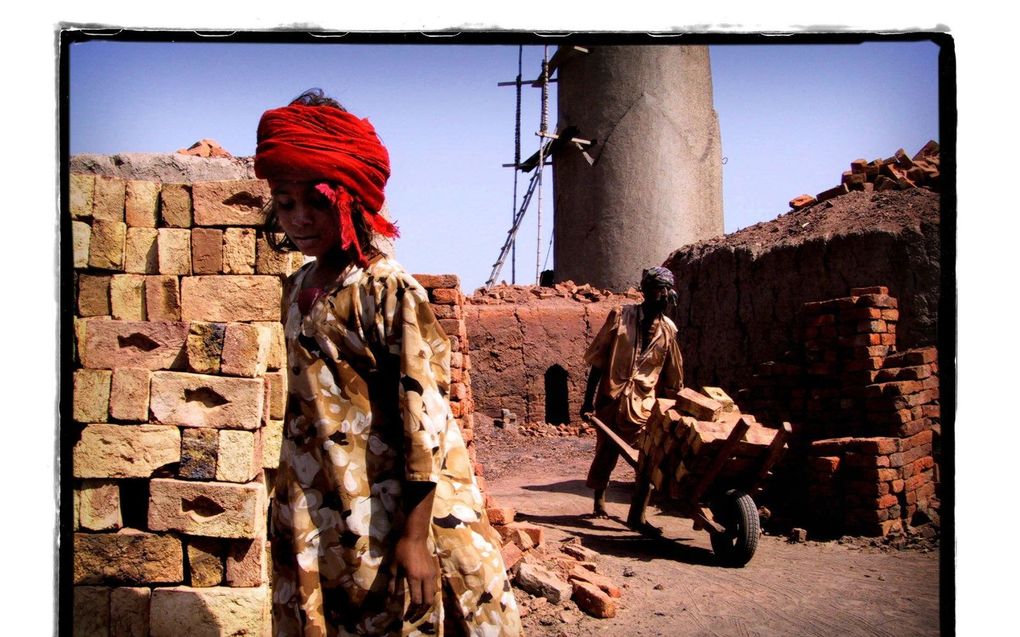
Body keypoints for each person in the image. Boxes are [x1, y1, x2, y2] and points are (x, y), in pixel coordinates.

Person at [258, 89, 521, 637]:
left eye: (318, 202)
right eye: (285, 204)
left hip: (392, 510)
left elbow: (423, 422)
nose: (300, 219)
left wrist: (413, 538)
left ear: (352, 199)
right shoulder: (297, 288)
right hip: (320, 506)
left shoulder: (387, 290)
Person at [580, 266, 684, 534]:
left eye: (666, 292)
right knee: (606, 452)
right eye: (658, 291)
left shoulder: (669, 330)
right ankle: (599, 499)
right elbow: (599, 361)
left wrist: (678, 405)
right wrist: (587, 400)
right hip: (611, 397)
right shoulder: (621, 316)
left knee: (647, 458)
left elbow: (673, 375)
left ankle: (637, 515)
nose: (663, 296)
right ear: (646, 292)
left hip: (643, 406)